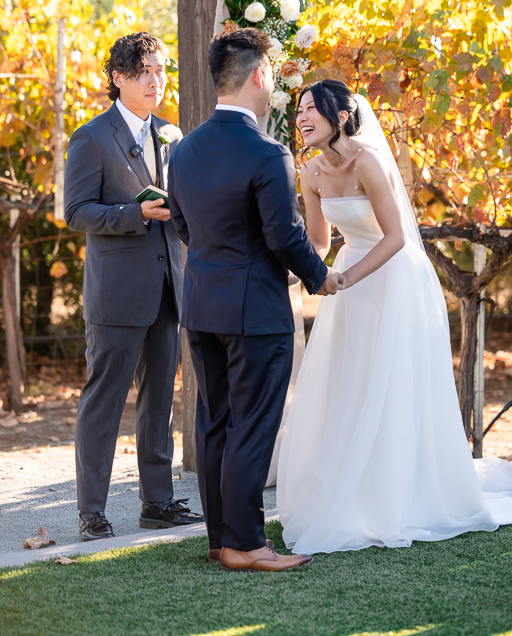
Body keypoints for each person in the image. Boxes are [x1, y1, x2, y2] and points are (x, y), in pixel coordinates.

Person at [277, 79, 512, 554]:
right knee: (351, 380)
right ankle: (355, 489)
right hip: (349, 281)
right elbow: (320, 243)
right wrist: (298, 274)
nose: (301, 118)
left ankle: (401, 491)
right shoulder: (311, 173)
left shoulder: (368, 160)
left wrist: (345, 278)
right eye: (298, 110)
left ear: (341, 117)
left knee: (394, 380)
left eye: (310, 109)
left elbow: (396, 237)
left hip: (393, 277)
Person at [167, 28, 342, 572]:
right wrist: (320, 277)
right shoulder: (268, 152)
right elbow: (284, 236)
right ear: (260, 77)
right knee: (253, 424)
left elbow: (182, 225)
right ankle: (247, 544)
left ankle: (221, 539)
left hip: (201, 306)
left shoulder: (183, 149)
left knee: (215, 421)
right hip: (255, 312)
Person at [64, 32, 203, 541]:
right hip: (116, 294)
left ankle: (158, 503)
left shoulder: (172, 133)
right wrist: (134, 213)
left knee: (159, 402)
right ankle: (92, 513)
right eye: (144, 71)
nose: (155, 80)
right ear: (118, 77)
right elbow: (76, 212)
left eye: (161, 70)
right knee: (103, 403)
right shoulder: (91, 138)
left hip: (169, 290)